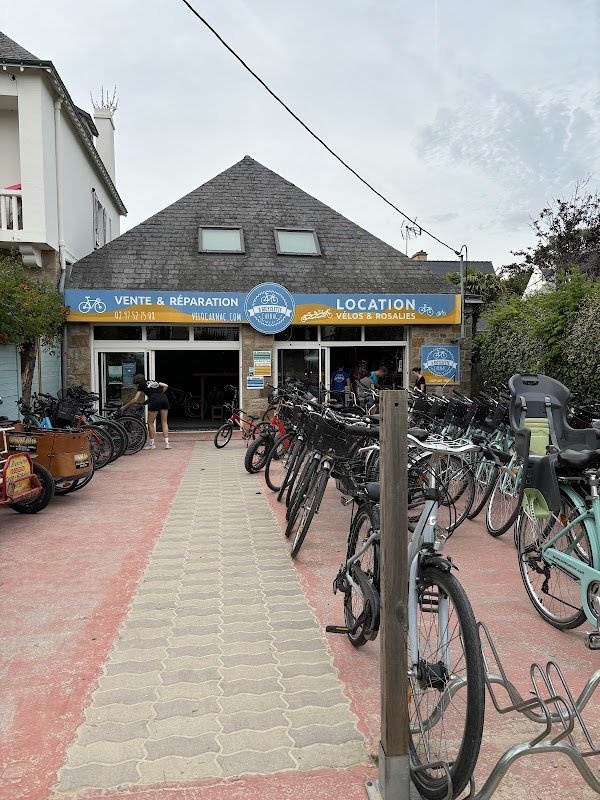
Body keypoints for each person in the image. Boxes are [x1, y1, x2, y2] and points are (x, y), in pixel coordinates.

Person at [121, 374, 171, 450]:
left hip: (155, 400)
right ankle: (167, 444)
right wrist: (160, 393)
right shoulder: (152, 381)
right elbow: (166, 385)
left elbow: (135, 399)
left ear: (137, 383)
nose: (136, 386)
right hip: (164, 399)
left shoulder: (141, 385)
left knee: (150, 423)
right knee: (164, 422)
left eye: (136, 385)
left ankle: (152, 444)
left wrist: (125, 406)